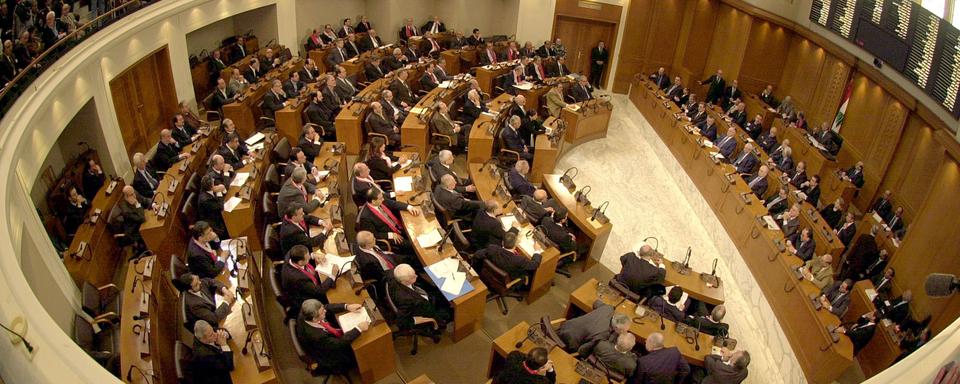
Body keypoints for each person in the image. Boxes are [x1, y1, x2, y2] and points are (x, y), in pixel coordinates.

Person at [295, 299, 369, 375]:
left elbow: (326, 307)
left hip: (328, 339)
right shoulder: (317, 336)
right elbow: (338, 343)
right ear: (314, 319)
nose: (325, 311)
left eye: (322, 309)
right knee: (362, 346)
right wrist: (358, 329)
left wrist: (347, 307)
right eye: (322, 312)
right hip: (329, 354)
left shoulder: (305, 312)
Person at [387, 264, 451, 333]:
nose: (416, 276)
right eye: (413, 277)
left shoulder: (392, 274)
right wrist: (425, 320)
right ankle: (441, 324)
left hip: (421, 296)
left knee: (438, 293)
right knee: (449, 311)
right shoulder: (407, 300)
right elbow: (401, 322)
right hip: (425, 310)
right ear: (404, 282)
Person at [557, 299, 631, 356]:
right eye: (623, 331)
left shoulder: (608, 309)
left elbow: (596, 303)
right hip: (569, 342)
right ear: (616, 328)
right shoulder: (603, 334)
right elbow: (582, 350)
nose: (624, 333)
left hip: (565, 326)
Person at [281, 245, 337, 309]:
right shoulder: (299, 278)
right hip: (305, 299)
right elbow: (318, 291)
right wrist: (332, 275)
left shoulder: (291, 254)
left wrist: (313, 255)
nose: (309, 258)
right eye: (307, 258)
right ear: (300, 262)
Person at [474, 231, 542, 283]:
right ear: (515, 245)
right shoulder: (519, 260)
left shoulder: (492, 248)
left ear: (503, 242)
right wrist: (537, 251)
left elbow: (477, 254)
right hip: (507, 280)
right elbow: (535, 264)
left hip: (489, 275)